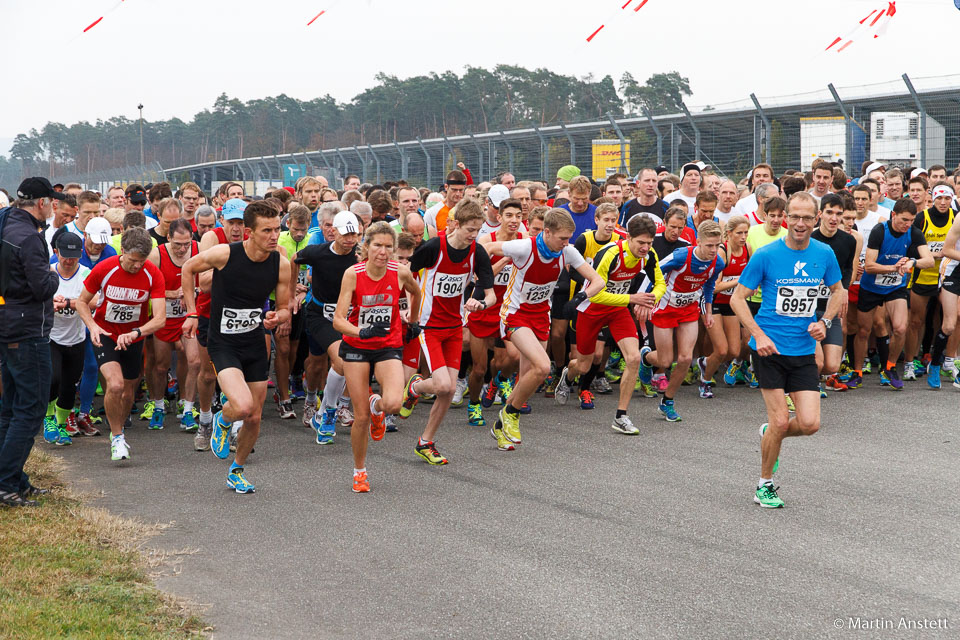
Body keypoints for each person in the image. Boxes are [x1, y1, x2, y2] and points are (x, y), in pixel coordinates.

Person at [730, 192, 843, 509]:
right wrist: (758, 335)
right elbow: (738, 299)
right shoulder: (765, 255)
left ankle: (770, 434)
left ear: (816, 219)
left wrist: (825, 321)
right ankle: (764, 485)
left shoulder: (824, 253)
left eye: (808, 218)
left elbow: (838, 292)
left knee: (809, 424)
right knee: (781, 421)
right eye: (795, 216)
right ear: (784, 217)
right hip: (768, 350)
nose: (800, 223)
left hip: (804, 350)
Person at [181, 201, 292, 494]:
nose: (274, 236)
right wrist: (192, 312)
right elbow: (188, 267)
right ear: (248, 232)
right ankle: (222, 417)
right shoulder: (225, 254)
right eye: (266, 230)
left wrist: (275, 317)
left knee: (254, 416)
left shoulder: (280, 263)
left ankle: (236, 470)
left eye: (277, 229)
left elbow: (284, 309)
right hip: (223, 343)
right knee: (242, 406)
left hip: (255, 342)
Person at [485, 209, 603, 450]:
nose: (566, 243)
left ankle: (500, 429)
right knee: (542, 367)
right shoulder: (524, 247)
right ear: (547, 232)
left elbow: (598, 281)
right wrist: (482, 288)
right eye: (562, 238)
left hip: (541, 318)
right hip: (515, 315)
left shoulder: (566, 251)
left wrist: (580, 297)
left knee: (528, 378)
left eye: (569, 238)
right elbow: (486, 249)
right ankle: (510, 414)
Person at [400, 199, 495, 464]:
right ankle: (415, 387)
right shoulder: (434, 247)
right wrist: (410, 307)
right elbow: (407, 275)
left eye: (478, 230)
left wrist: (480, 303)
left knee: (449, 389)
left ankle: (426, 442)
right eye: (469, 229)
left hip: (455, 327)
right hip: (429, 327)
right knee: (442, 384)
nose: (474, 235)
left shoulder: (477, 252)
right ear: (454, 224)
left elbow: (491, 296)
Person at [332, 222, 422, 492]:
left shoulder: (400, 272)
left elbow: (417, 293)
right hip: (357, 346)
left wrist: (413, 321)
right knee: (360, 418)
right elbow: (338, 320)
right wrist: (362, 331)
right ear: (366, 247)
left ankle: (378, 406)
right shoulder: (353, 274)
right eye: (377, 245)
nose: (382, 252)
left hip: (387, 345)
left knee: (394, 404)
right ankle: (360, 471)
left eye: (388, 247)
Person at [557, 215, 664, 434]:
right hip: (591, 309)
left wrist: (651, 298)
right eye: (641, 243)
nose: (645, 248)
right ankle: (568, 375)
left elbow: (660, 283)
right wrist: (633, 299)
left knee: (633, 358)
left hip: (617, 310)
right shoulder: (610, 254)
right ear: (628, 238)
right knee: (585, 364)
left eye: (649, 243)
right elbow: (596, 295)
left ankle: (621, 416)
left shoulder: (649, 255)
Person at [75, 227, 167, 462]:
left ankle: (119, 428)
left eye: (142, 261)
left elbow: (160, 318)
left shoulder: (152, 274)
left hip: (133, 337)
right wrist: (93, 327)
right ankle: (117, 438)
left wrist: (137, 332)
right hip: (105, 333)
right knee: (114, 386)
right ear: (122, 251)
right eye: (133, 260)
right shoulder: (105, 269)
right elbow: (82, 303)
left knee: (127, 393)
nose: (137, 266)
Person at [0, 178, 63, 506]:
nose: (54, 206)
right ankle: (6, 481)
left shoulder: (7, 223)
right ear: (41, 203)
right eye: (52, 201)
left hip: (9, 326)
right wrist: (54, 274)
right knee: (31, 409)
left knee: (10, 408)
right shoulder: (30, 237)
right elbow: (43, 287)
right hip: (27, 332)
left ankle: (15, 479)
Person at [638, 220, 724, 421]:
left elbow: (709, 286)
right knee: (665, 361)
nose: (714, 250)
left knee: (685, 358)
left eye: (717, 245)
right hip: (666, 308)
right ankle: (646, 357)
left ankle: (667, 402)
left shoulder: (717, 262)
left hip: (688, 311)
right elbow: (653, 271)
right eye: (709, 245)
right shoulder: (681, 256)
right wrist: (643, 299)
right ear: (698, 242)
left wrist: (708, 312)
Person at [850, 198, 934, 391]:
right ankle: (857, 372)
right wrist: (894, 268)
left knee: (900, 328)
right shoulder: (880, 231)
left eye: (911, 220)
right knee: (863, 331)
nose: (908, 224)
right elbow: (869, 266)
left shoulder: (914, 232)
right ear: (893, 215)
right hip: (871, 287)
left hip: (895, 288)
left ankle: (890, 367)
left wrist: (912, 263)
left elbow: (928, 260)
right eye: (904, 219)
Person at [295, 211, 360, 443]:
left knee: (344, 361)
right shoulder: (317, 252)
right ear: (334, 232)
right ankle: (315, 402)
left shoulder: (359, 256)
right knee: (318, 362)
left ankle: (326, 414)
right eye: (346, 234)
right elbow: (294, 260)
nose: (350, 240)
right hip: (320, 313)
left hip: (349, 315)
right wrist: (294, 290)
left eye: (355, 235)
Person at [468, 198, 527, 426]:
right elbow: (477, 278)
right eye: (509, 215)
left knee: (513, 357)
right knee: (479, 368)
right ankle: (474, 403)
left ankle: (499, 380)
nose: (514, 220)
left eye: (518, 216)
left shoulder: (524, 240)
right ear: (499, 217)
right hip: (485, 306)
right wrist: (504, 260)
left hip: (508, 308)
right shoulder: (486, 241)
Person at [146, 219, 201, 434]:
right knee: (161, 365)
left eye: (186, 243)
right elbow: (148, 288)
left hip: (189, 316)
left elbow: (206, 279)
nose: (182, 249)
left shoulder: (198, 250)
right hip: (164, 316)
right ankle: (159, 405)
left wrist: (192, 293)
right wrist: (171, 294)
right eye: (178, 244)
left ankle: (187, 408)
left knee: (194, 361)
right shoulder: (157, 254)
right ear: (168, 238)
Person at [45, 230, 99, 445]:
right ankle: (48, 418)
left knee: (69, 385)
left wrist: (66, 303)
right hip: (51, 337)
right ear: (56, 252)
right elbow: (35, 300)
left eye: (74, 256)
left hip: (76, 338)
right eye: (65, 255)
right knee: (53, 378)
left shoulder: (86, 273)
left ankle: (60, 425)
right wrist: (51, 304)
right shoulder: (48, 272)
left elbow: (95, 301)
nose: (69, 261)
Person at [902, 184, 954, 381]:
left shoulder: (955, 217)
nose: (942, 202)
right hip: (922, 276)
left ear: (952, 199)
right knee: (916, 321)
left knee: (952, 319)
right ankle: (909, 362)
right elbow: (910, 247)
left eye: (947, 199)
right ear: (933, 197)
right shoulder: (922, 218)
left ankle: (949, 360)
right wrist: (934, 254)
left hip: (946, 276)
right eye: (939, 198)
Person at [811, 194, 858, 392]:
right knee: (818, 363)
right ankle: (808, 386)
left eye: (839, 214)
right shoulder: (809, 238)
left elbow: (847, 269)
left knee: (832, 365)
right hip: (809, 310)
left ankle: (816, 380)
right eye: (829, 212)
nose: (834, 218)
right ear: (820, 214)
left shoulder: (848, 241)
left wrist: (843, 289)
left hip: (831, 307)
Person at [272, 204, 312, 420]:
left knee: (294, 349)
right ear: (288, 224)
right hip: (275, 300)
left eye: (303, 229)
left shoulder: (311, 242)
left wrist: (303, 292)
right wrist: (290, 288)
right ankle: (284, 396)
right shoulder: (279, 242)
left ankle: (287, 380)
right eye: (296, 229)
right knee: (283, 348)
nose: (299, 233)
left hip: (301, 302)